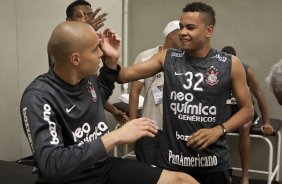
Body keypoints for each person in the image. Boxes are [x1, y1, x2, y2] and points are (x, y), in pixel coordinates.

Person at [20, 21, 199, 184]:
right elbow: (51, 164)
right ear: (75, 59)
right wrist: (116, 136)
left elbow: (100, 94)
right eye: (94, 49)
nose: (100, 54)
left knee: (182, 181)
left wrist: (112, 63)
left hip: (102, 167)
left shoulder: (86, 78)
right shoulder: (38, 97)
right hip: (69, 177)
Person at [111, 2, 254, 184]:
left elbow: (247, 110)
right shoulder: (168, 57)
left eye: (190, 27)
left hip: (212, 163)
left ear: (208, 30)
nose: (183, 32)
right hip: (173, 162)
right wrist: (111, 58)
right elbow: (124, 76)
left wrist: (219, 130)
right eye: (181, 27)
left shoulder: (229, 63)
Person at [49, 0, 129, 125]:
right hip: (70, 114)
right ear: (69, 21)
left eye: (89, 15)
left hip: (91, 118)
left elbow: (95, 89)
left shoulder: (94, 43)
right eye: (80, 16)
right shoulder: (59, 43)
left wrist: (113, 110)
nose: (87, 19)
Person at [129, 20, 181, 165]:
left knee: (171, 170)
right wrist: (133, 124)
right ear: (171, 35)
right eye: (180, 34)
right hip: (150, 126)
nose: (184, 37)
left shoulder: (184, 59)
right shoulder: (146, 57)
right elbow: (134, 91)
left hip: (175, 128)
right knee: (148, 168)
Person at [222, 46, 273, 184]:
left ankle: (245, 176)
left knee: (244, 127)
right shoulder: (217, 69)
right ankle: (215, 171)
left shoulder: (245, 70)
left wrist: (266, 122)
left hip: (245, 112)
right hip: (227, 113)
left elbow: (259, 94)